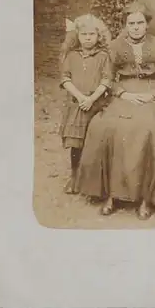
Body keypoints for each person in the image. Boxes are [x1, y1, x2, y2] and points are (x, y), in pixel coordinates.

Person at [78, 2, 155, 220]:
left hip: (152, 93)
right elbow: (107, 77)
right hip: (124, 94)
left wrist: (154, 95)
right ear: (125, 25)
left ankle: (145, 197)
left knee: (152, 130)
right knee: (105, 126)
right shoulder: (115, 47)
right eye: (131, 23)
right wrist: (123, 93)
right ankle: (112, 195)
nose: (135, 27)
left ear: (147, 24)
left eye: (140, 23)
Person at [59, 14, 112, 194]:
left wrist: (91, 99)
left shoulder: (103, 56)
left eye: (92, 34)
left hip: (95, 104)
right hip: (77, 104)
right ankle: (74, 175)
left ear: (98, 36)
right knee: (76, 142)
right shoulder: (72, 56)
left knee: (94, 140)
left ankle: (91, 178)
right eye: (84, 34)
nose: (88, 38)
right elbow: (65, 78)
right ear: (78, 36)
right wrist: (81, 97)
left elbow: (106, 80)